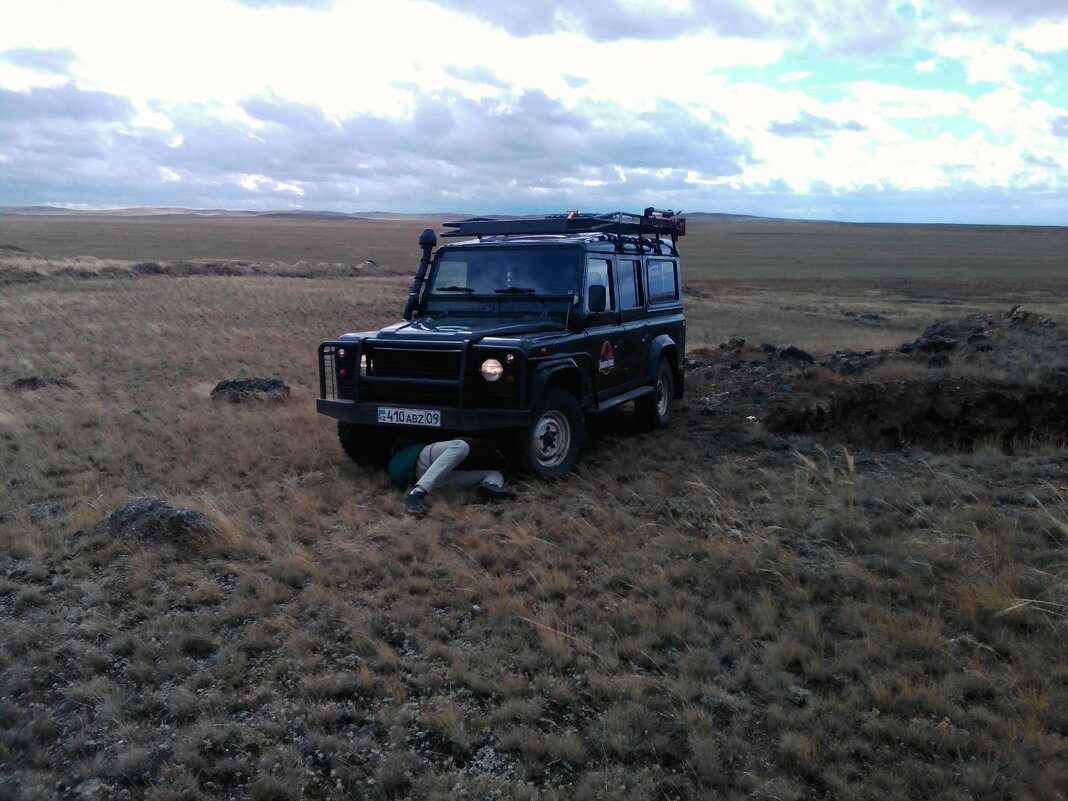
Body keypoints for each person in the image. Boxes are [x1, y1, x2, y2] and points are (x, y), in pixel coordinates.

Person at [388, 437, 516, 516]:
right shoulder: (403, 449)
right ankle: (415, 495)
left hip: (431, 476)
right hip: (419, 459)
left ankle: (489, 487)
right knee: (460, 445)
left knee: (494, 474)